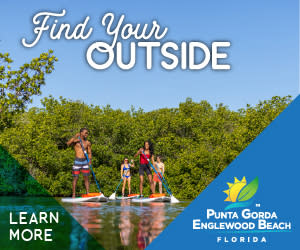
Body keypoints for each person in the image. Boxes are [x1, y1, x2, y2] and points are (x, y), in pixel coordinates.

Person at [67, 128, 92, 198]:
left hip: (85, 161)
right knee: (76, 178)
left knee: (86, 178)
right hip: (77, 161)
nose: (86, 134)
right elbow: (68, 143)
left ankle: (87, 193)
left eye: (87, 133)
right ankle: (74, 194)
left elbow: (89, 152)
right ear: (81, 133)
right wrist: (75, 136)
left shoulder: (88, 143)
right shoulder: (76, 141)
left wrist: (90, 160)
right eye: (85, 133)